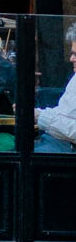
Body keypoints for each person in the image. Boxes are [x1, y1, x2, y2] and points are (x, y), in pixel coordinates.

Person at [35, 23, 76, 152]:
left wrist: (40, 117)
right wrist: (37, 113)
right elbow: (64, 114)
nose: (71, 59)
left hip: (66, 148)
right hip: (53, 141)